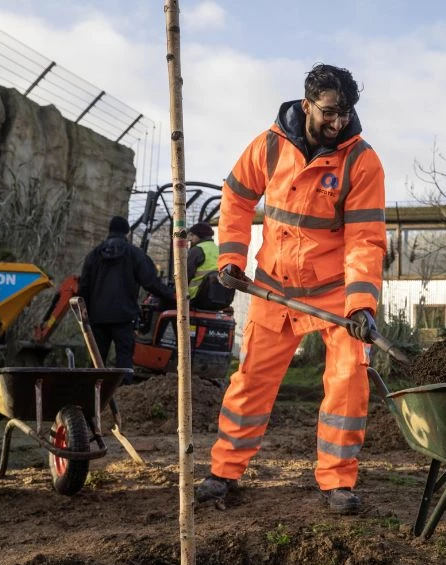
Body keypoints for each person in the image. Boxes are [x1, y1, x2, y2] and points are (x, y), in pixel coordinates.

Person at [196, 63, 386, 514]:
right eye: (329, 112)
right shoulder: (268, 147)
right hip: (273, 287)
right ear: (307, 105)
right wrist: (231, 257)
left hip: (334, 294)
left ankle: (337, 481)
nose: (337, 123)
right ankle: (224, 472)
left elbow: (365, 239)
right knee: (251, 382)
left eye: (345, 113)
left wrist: (361, 304)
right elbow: (236, 199)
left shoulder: (362, 161)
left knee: (349, 381)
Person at [77, 215, 173, 384]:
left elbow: (84, 287)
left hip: (98, 317)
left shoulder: (93, 255)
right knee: (124, 359)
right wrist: (172, 296)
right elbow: (150, 282)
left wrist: (84, 313)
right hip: (124, 316)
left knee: (97, 359)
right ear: (127, 232)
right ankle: (124, 392)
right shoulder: (134, 254)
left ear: (109, 231)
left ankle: (94, 393)